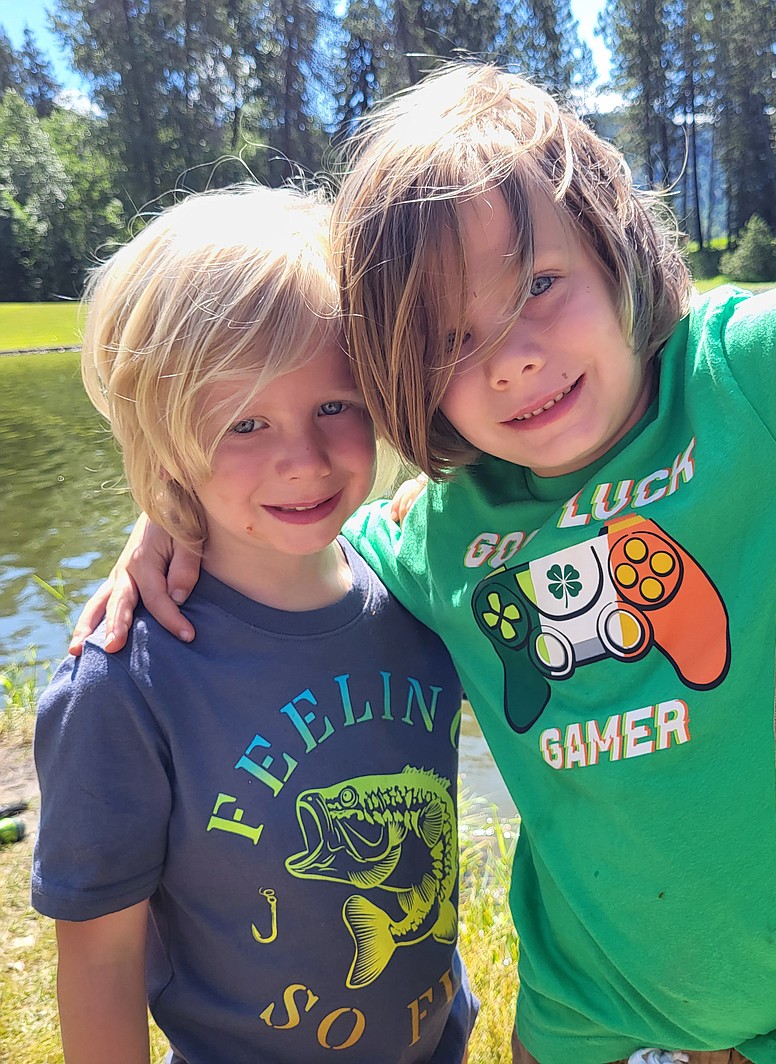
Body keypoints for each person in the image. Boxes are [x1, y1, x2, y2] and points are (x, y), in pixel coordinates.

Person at [74, 66, 776, 1064]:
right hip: (581, 1011)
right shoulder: (438, 532)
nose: (516, 355)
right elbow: (294, 529)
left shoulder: (757, 375)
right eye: (451, 341)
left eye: (540, 282)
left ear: (618, 246)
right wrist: (177, 520)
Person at [32, 185, 476, 1064]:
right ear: (163, 444)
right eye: (245, 421)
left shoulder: (423, 579)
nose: (303, 459)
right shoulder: (124, 686)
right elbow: (100, 962)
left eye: (335, 406)